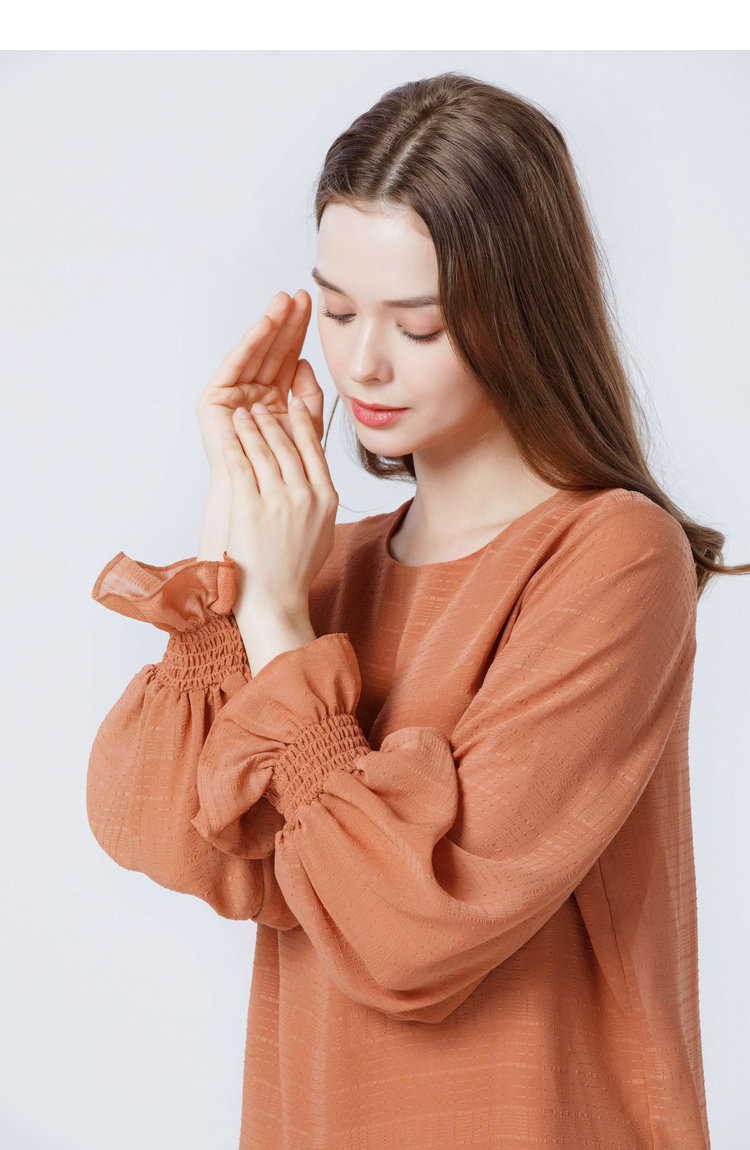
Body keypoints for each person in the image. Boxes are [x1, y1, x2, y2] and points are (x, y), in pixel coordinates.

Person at [87, 72, 746, 1149]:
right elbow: (168, 837)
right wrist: (234, 548)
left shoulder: (613, 555)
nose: (362, 363)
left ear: (521, 313)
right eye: (340, 311)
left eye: (420, 324)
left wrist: (281, 627)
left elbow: (412, 936)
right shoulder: (324, 573)